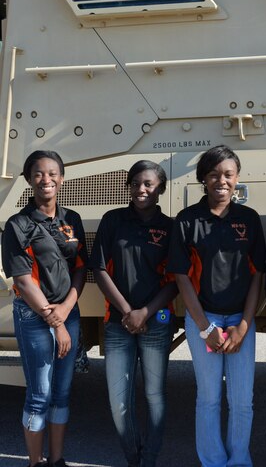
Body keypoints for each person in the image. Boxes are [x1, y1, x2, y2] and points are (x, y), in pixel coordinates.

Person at [167, 145, 266, 467]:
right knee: (208, 399)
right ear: (203, 179)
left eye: (228, 174)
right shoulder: (187, 220)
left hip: (240, 322)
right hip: (204, 320)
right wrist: (205, 328)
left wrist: (244, 326)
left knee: (242, 402)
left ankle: (239, 461)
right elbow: (181, 278)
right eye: (213, 175)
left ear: (237, 179)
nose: (221, 181)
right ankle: (212, 462)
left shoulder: (248, 220)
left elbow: (257, 277)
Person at [1, 151, 88, 467]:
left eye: (53, 173)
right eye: (38, 174)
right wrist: (57, 321)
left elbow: (80, 268)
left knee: (62, 395)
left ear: (62, 178)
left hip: (68, 314)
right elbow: (23, 281)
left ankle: (57, 460)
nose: (46, 179)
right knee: (39, 396)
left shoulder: (71, 219)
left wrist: (66, 309)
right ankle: (35, 462)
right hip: (34, 317)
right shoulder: (18, 225)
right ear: (28, 179)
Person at [90, 160, 177, 467]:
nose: (141, 189)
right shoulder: (113, 220)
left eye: (149, 184)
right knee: (119, 403)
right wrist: (128, 312)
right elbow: (98, 268)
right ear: (128, 186)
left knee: (155, 396)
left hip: (157, 321)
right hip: (118, 323)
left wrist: (145, 312)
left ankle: (149, 459)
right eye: (136, 183)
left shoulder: (169, 227)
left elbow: (175, 280)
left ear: (161, 189)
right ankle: (133, 457)